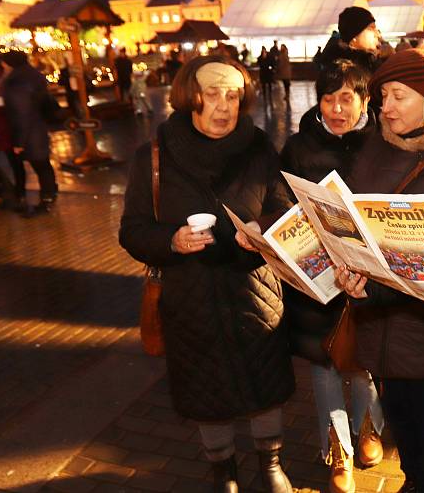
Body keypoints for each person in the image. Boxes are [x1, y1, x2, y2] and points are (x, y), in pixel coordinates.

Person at [119, 55, 296, 493]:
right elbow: (133, 230)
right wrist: (171, 241)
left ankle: (271, 462)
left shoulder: (259, 149)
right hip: (190, 295)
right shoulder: (154, 155)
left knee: (264, 380)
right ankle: (223, 468)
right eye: (212, 94)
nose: (224, 105)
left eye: (232, 95)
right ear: (189, 98)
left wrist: (263, 230)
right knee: (205, 388)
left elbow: (285, 207)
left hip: (254, 290)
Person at [335, 49, 424, 493]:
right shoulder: (373, 147)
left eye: (399, 95)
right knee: (398, 415)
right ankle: (415, 479)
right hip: (374, 315)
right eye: (383, 96)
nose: (387, 107)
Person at [280, 60, 384, 493]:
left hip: (368, 273)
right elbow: (282, 202)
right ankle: (336, 448)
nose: (337, 108)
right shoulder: (298, 147)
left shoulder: (382, 143)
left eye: (346, 98)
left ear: (364, 100)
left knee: (365, 357)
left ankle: (369, 428)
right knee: (324, 359)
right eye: (328, 98)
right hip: (318, 276)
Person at [1, 50, 57, 217]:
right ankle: (49, 195)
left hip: (30, 133)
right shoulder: (33, 75)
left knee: (40, 166)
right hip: (38, 128)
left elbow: (21, 113)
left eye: (5, 62)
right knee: (44, 165)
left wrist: (19, 142)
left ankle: (46, 200)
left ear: (10, 63)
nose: (2, 65)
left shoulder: (17, 81)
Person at [0, 49, 25, 211]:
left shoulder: (6, 77)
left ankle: (18, 193)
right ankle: (2, 191)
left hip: (7, 125)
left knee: (15, 161)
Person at [319, 7, 382, 73]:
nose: (378, 34)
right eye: (371, 28)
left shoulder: (372, 63)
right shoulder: (342, 73)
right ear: (354, 36)